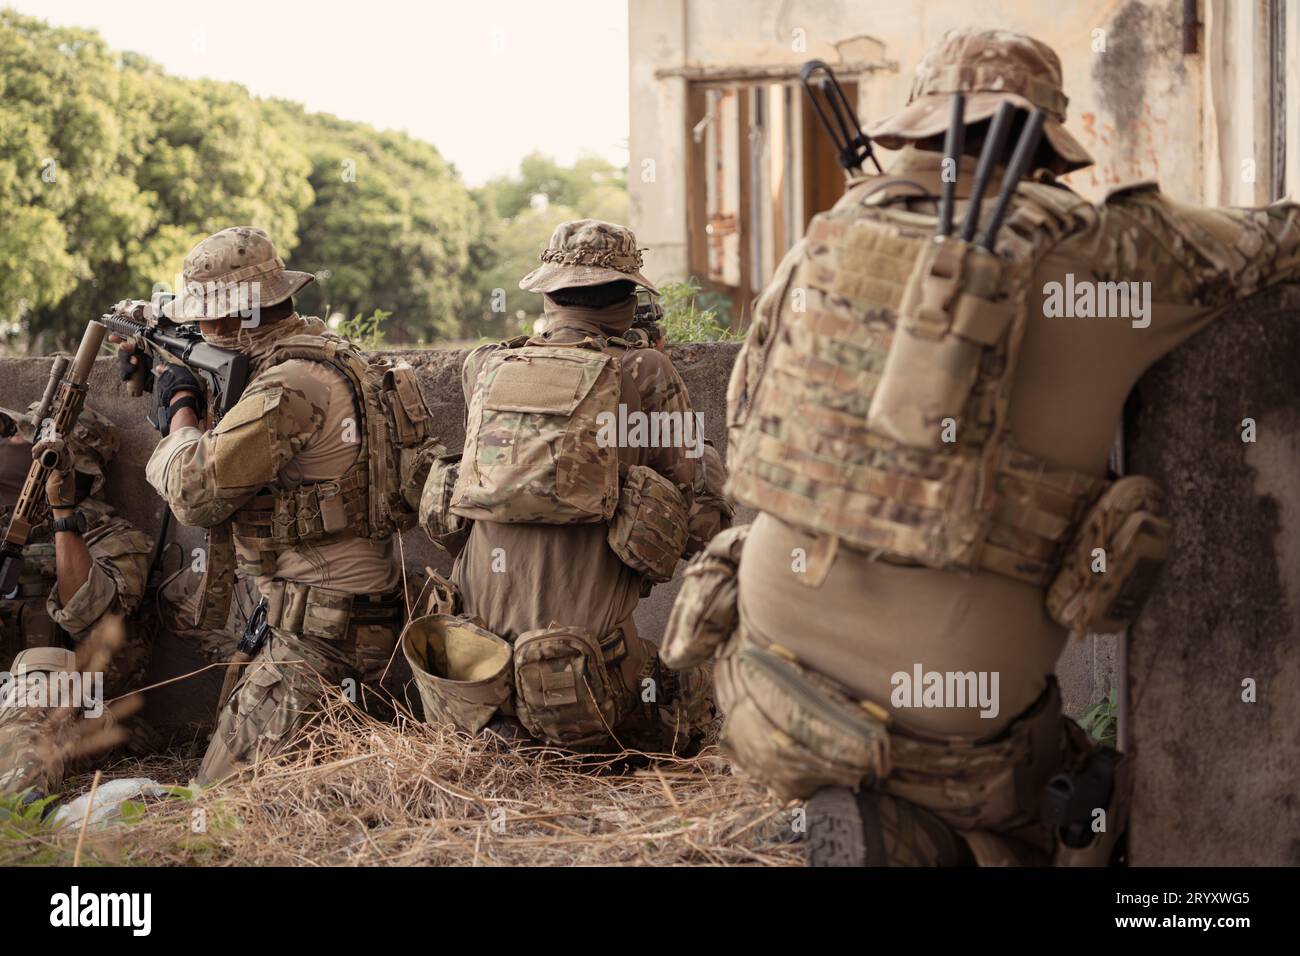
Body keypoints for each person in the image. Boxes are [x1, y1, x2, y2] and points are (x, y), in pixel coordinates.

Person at [672, 27, 1300, 866]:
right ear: (1047, 145)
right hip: (952, 723)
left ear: (920, 129)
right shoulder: (1106, 253)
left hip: (763, 672)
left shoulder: (828, 234)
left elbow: (746, 422)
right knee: (1059, 813)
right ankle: (923, 841)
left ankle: (875, 823)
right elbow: (1279, 240)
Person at [131, 226, 436, 785]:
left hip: (321, 634)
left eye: (203, 320)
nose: (202, 331)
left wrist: (179, 409)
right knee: (175, 597)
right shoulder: (326, 355)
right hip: (339, 608)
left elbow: (194, 495)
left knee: (217, 806)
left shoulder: (287, 387)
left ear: (227, 321)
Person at [418, 220, 711, 752]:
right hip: (584, 677)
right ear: (628, 299)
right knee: (689, 693)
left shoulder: (483, 365)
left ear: (549, 294)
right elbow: (691, 518)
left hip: (472, 674)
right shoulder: (647, 370)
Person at [0, 404, 151, 800]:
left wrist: (62, 513)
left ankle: (12, 816)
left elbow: (93, 620)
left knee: (39, 680)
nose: (8, 445)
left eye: (17, 437)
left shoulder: (115, 537)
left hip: (68, 709)